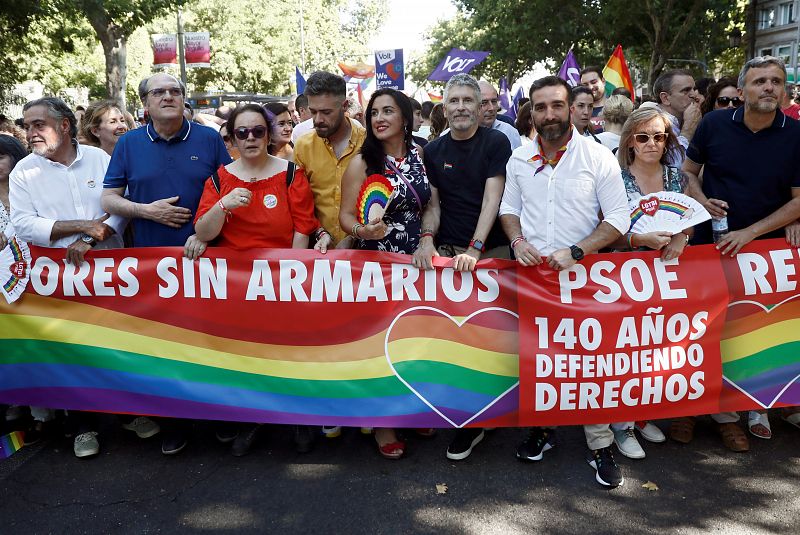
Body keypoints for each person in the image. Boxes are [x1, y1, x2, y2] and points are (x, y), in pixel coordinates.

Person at [499, 75, 630, 488]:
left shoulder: (597, 157)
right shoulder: (519, 159)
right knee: (539, 360)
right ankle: (544, 428)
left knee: (589, 364)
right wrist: (517, 240)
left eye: (557, 105)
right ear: (531, 112)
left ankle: (600, 443)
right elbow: (508, 208)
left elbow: (619, 220)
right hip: (533, 280)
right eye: (540, 107)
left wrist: (576, 251)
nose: (549, 115)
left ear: (572, 108)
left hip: (585, 278)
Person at [102, 73, 233, 455]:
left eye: (175, 91)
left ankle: (222, 418)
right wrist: (146, 211)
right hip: (152, 265)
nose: (168, 97)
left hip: (208, 260)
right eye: (159, 92)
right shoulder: (128, 143)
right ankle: (175, 423)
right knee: (165, 348)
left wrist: (205, 233)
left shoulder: (208, 138)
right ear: (144, 104)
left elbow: (228, 187)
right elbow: (109, 199)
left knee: (212, 342)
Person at [193, 104, 330, 455]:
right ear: (232, 138)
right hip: (238, 286)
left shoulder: (290, 174)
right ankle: (252, 418)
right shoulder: (219, 179)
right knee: (247, 355)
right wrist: (222, 206)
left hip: (284, 278)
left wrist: (290, 273)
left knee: (292, 350)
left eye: (258, 131)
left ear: (268, 135)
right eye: (242, 132)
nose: (250, 138)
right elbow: (203, 232)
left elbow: (303, 226)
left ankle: (301, 418)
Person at [683, 56, 800, 451]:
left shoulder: (796, 134)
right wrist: (701, 201)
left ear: (784, 89)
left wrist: (750, 233)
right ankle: (689, 411)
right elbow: (687, 172)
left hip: (764, 253)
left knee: (749, 333)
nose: (769, 87)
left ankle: (734, 413)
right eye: (760, 81)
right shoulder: (715, 124)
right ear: (743, 88)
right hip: (707, 245)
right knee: (702, 329)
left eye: (776, 81)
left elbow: (799, 201)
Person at [9, 97, 130, 458]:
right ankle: (82, 426)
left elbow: (121, 206)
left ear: (64, 126)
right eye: (26, 125)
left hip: (111, 268)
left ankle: (130, 414)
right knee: (72, 349)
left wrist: (91, 237)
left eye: (38, 125)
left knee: (120, 340)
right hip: (58, 278)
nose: (29, 133)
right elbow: (24, 225)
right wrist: (80, 226)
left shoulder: (100, 159)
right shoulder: (23, 172)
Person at [413, 73, 512, 461]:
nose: (459, 108)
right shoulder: (434, 151)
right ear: (444, 106)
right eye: (452, 101)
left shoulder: (496, 141)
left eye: (467, 101)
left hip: (491, 255)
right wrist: (426, 238)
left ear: (479, 105)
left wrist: (475, 248)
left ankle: (483, 418)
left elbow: (493, 200)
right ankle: (463, 415)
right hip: (449, 255)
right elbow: (433, 205)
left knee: (490, 338)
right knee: (455, 342)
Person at [339, 89, 436, 459]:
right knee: (380, 343)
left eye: (388, 111)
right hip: (376, 264)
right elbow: (345, 218)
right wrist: (363, 231)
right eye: (374, 112)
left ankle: (411, 411)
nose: (379, 118)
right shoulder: (362, 163)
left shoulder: (421, 154)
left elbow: (431, 204)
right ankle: (382, 422)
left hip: (416, 262)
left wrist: (427, 239)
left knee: (413, 338)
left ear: (406, 117)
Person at [293, 70, 366, 450]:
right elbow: (299, 203)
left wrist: (354, 238)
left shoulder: (371, 142)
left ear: (345, 106)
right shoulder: (303, 146)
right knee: (323, 340)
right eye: (312, 111)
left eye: (326, 112)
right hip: (320, 260)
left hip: (368, 258)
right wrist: (317, 234)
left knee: (365, 336)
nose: (318, 119)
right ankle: (329, 412)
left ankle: (371, 413)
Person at [651, 69, 702, 165]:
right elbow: (672, 169)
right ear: (665, 98)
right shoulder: (650, 126)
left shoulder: (688, 119)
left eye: (694, 89)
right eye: (686, 90)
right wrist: (687, 131)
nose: (695, 95)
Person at [478, 80, 522, 149]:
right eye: (484, 102)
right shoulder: (461, 132)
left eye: (494, 101)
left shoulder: (509, 132)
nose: (491, 108)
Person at [580, 66, 607, 132]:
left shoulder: (617, 108)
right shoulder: (577, 112)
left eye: (593, 82)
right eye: (585, 84)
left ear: (603, 81)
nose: (590, 87)